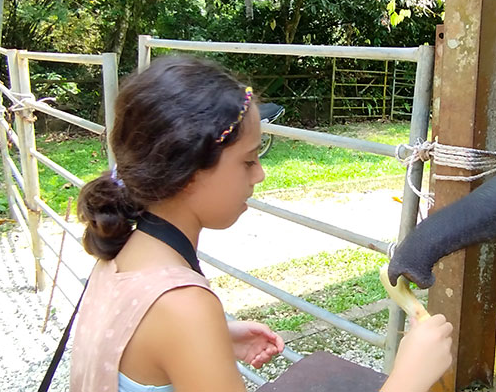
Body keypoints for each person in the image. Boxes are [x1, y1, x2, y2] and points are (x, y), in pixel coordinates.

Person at [71, 55, 453, 392]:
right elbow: (175, 321)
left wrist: (210, 342)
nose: (260, 176)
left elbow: (130, 340)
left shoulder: (123, 253)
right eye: (248, 161)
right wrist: (407, 379)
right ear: (187, 172)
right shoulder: (183, 307)